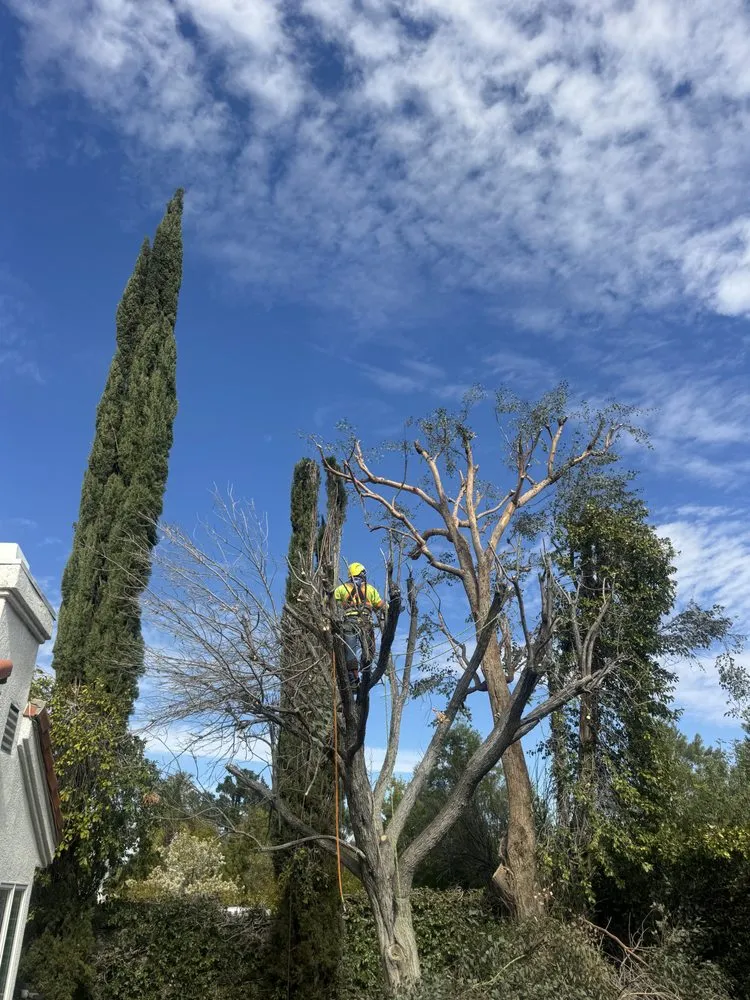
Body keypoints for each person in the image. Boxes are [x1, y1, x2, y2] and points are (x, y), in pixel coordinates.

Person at [333, 562, 385, 689]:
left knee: (350, 651)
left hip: (348, 622)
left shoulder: (341, 589)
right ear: (361, 573)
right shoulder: (370, 589)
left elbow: (330, 602)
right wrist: (392, 608)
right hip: (365, 622)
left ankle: (353, 678)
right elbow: (381, 606)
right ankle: (365, 671)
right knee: (369, 649)